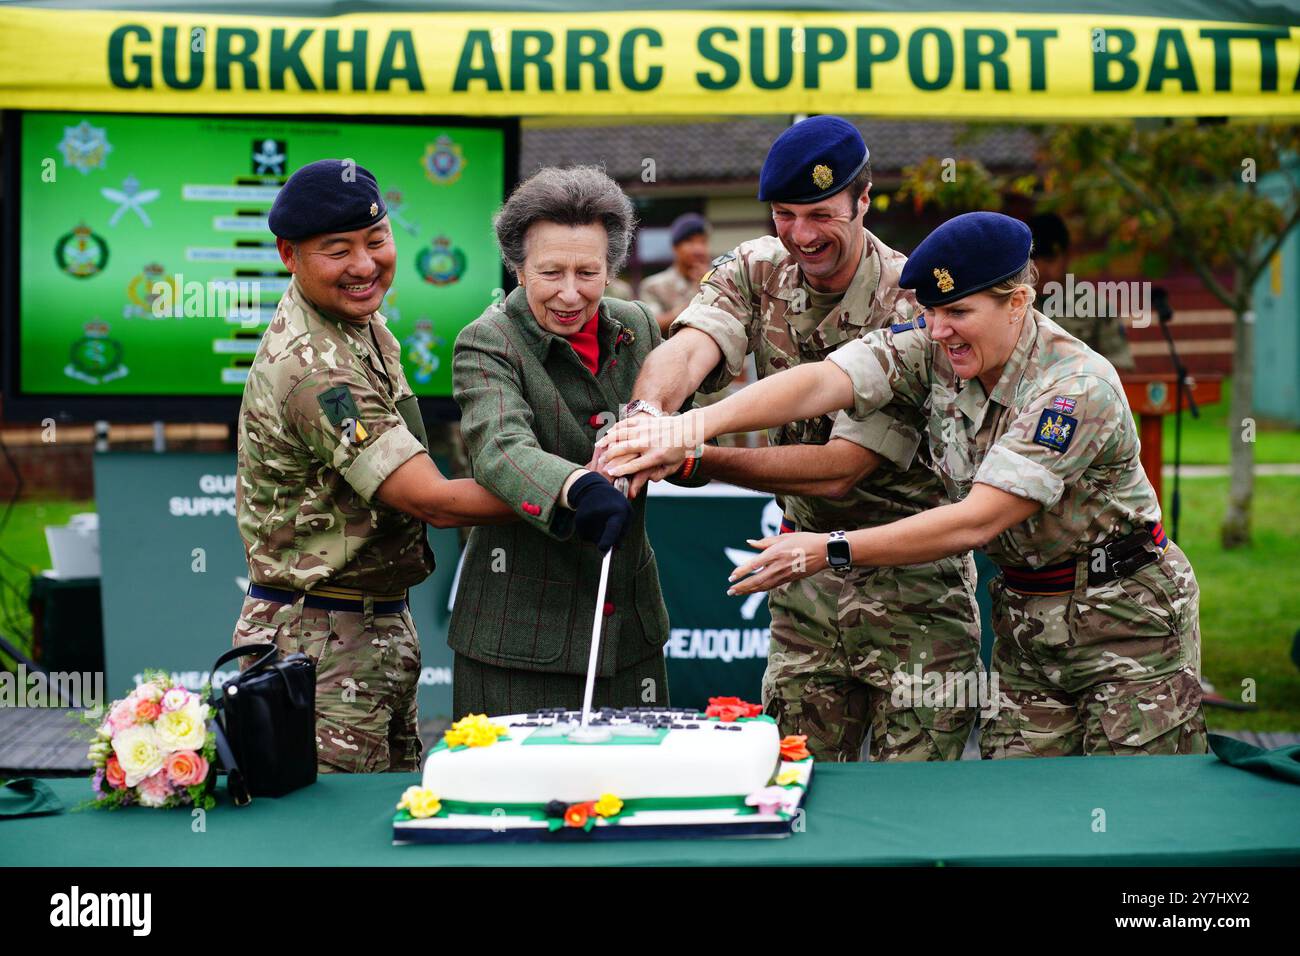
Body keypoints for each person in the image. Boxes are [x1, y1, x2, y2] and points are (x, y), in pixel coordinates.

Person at [602, 211, 1208, 758]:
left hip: (1126, 626)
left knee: (1136, 812)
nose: (939, 330)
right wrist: (689, 428)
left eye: (959, 313)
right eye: (932, 311)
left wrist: (828, 549)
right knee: (1020, 810)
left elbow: (977, 519)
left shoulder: (1073, 390)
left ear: (1018, 303)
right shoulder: (935, 347)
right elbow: (822, 382)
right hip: (1027, 623)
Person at [600, 116, 983, 763]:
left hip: (915, 591)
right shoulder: (754, 267)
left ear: (864, 201)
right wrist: (646, 415)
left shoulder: (914, 302)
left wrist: (697, 453)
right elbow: (693, 344)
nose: (801, 236)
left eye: (820, 215)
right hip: (805, 592)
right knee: (795, 789)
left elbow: (840, 469)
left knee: (915, 812)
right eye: (784, 214)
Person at [233, 159, 515, 773]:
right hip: (320, 648)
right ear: (290, 254)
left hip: (367, 628)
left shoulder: (358, 322)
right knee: (327, 842)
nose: (364, 264)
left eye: (376, 240)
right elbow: (429, 500)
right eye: (338, 250)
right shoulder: (316, 366)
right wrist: (566, 490)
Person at [449, 165, 671, 717]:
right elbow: (499, 448)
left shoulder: (639, 324)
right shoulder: (487, 341)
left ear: (612, 268)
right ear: (518, 269)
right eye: (550, 272)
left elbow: (681, 425)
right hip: (518, 640)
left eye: (588, 272)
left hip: (630, 634)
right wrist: (577, 486)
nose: (570, 294)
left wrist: (681, 451)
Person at [1029, 212, 1135, 371]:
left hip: (1081, 391)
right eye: (1034, 260)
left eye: (1050, 259)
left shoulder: (1095, 306)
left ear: (1067, 257)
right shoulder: (1013, 306)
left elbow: (1120, 366)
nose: (1042, 269)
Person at [639, 212, 713, 335]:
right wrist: (697, 295)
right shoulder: (654, 286)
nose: (698, 249)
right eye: (690, 241)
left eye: (703, 242)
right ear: (675, 247)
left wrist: (710, 284)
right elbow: (651, 324)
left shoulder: (721, 281)